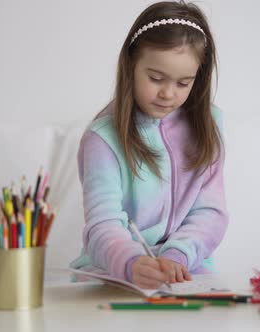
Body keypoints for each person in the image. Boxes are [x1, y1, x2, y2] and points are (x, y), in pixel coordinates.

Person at [70, 0, 228, 290]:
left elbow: (211, 213)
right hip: (116, 272)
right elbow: (102, 225)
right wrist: (132, 263)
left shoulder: (208, 125)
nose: (168, 93)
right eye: (156, 78)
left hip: (187, 270)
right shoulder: (102, 139)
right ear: (131, 64)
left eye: (184, 83)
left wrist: (177, 255)